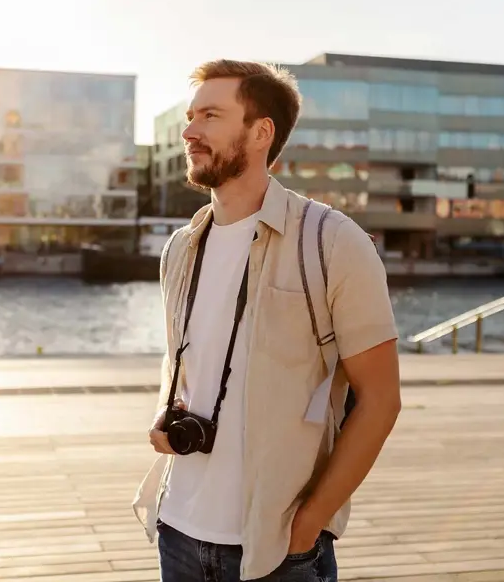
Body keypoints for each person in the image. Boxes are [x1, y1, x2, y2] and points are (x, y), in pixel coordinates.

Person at [131, 59, 401, 582]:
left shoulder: (330, 240)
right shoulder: (181, 248)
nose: (189, 130)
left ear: (261, 133)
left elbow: (381, 400)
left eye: (210, 115)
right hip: (178, 531)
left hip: (276, 548)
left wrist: (309, 525)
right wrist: (168, 415)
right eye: (190, 116)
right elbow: (189, 368)